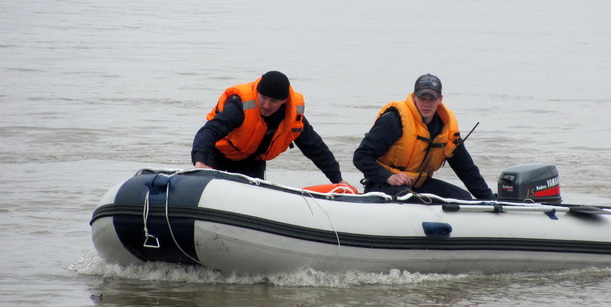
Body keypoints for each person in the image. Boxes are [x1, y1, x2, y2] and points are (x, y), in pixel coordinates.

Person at [192, 71, 349, 185]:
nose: (266, 105)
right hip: (219, 155)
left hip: (251, 162)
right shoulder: (239, 106)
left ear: (284, 101)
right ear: (257, 93)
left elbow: (315, 148)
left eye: (273, 101)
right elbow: (209, 131)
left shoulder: (292, 115)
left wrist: (338, 180)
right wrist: (199, 161)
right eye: (263, 98)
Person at [353, 73, 495, 200]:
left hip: (419, 185)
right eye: (422, 98)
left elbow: (467, 170)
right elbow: (361, 157)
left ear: (440, 99)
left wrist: (490, 200)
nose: (426, 104)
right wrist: (389, 177)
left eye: (432, 99)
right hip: (382, 184)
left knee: (463, 197)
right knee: (408, 197)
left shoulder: (446, 130)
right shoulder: (393, 120)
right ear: (414, 97)